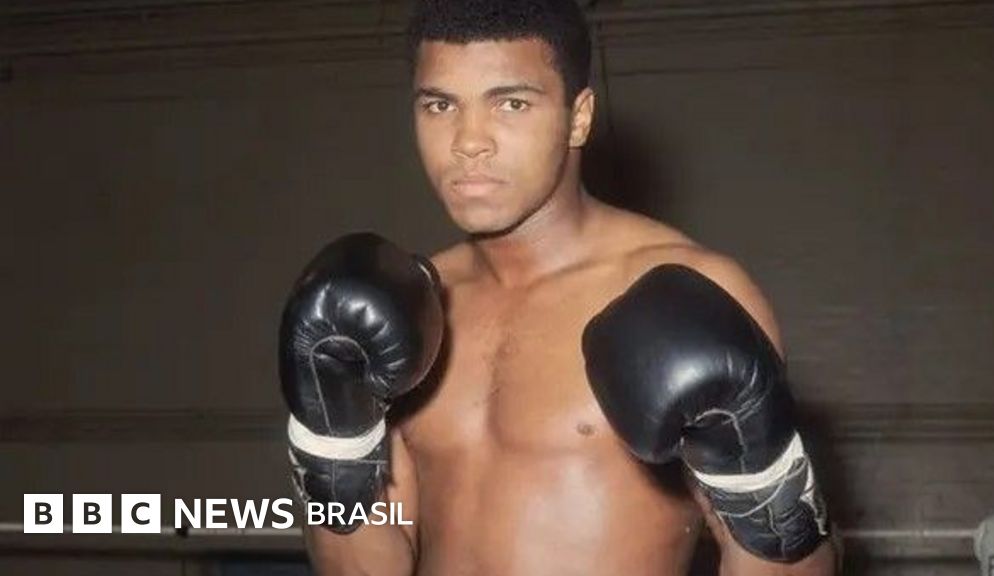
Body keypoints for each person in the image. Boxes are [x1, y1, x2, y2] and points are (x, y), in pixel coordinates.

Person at [279, 1, 839, 574]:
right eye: (440, 105)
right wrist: (331, 444)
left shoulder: (697, 290)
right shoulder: (409, 303)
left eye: (511, 102)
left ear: (579, 117)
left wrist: (761, 482)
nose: (469, 141)